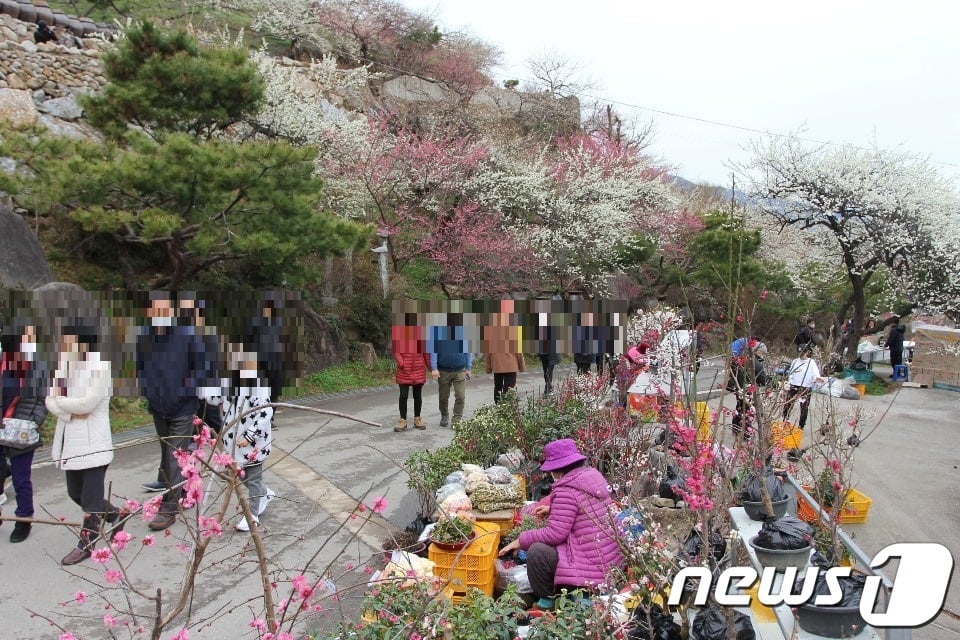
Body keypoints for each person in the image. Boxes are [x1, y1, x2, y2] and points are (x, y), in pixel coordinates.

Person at [498, 438, 623, 609]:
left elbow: (555, 534)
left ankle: (548, 600)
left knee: (536, 551)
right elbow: (585, 509)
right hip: (608, 563)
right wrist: (553, 509)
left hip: (590, 572)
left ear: (556, 470)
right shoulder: (591, 478)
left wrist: (521, 539)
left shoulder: (566, 491)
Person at [46, 321, 126, 565]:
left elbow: (88, 404)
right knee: (74, 493)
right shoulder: (63, 366)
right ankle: (117, 514)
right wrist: (67, 410)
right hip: (69, 440)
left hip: (93, 441)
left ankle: (86, 544)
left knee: (90, 499)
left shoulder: (99, 367)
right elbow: (49, 399)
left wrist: (62, 403)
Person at [136, 291, 207, 529]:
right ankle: (181, 491)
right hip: (158, 406)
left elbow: (200, 368)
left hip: (183, 406)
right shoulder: (145, 335)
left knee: (175, 454)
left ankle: (169, 507)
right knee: (167, 452)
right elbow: (140, 368)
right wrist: (148, 392)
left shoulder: (186, 335)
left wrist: (185, 392)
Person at [215, 348, 275, 532]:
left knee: (253, 478)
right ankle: (264, 494)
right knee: (241, 476)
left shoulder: (257, 385)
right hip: (232, 440)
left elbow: (266, 412)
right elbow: (218, 402)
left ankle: (253, 515)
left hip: (253, 444)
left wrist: (250, 436)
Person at [0, 320, 49, 543]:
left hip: (22, 431)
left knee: (21, 479)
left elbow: (43, 400)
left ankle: (24, 519)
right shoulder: (4, 362)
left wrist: (33, 422)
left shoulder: (38, 365)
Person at [429, 313, 472, 429]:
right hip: (443, 370)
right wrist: (434, 368)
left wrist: (468, 368)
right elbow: (433, 350)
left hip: (460, 370)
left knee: (460, 396)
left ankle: (456, 419)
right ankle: (444, 414)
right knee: (443, 397)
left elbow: (468, 351)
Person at [393, 314, 431, 432]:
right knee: (403, 396)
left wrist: (431, 368)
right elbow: (396, 351)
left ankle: (417, 419)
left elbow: (426, 353)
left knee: (417, 396)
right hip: (404, 370)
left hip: (418, 370)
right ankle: (402, 421)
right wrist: (401, 363)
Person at [245, 293, 285, 405]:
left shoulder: (278, 321)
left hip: (275, 363)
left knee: (273, 394)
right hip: (259, 363)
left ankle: (270, 419)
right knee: (260, 394)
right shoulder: (253, 321)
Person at [483, 305, 525, 403]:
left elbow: (488, 353)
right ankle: (506, 407)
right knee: (509, 387)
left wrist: (488, 368)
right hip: (511, 365)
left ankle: (498, 406)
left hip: (497, 365)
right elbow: (519, 352)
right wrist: (521, 367)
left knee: (498, 386)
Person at [727, 342, 769, 437]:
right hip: (749, 390)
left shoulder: (742, 358)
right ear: (758, 351)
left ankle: (735, 430)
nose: (763, 356)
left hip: (739, 388)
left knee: (739, 408)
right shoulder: (757, 363)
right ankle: (746, 434)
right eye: (763, 353)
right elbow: (763, 381)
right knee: (749, 412)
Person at [782, 345, 825, 429]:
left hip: (805, 387)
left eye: (803, 353)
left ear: (807, 352)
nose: (801, 355)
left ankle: (801, 426)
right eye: (800, 353)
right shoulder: (795, 361)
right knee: (788, 405)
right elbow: (791, 374)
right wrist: (789, 384)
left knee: (804, 407)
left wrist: (817, 379)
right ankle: (784, 420)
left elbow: (815, 375)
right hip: (794, 386)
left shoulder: (811, 362)